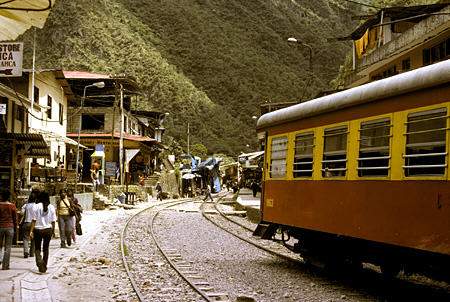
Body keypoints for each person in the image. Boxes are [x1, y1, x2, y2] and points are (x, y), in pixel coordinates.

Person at [29, 191, 56, 273]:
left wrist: (31, 231)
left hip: (37, 230)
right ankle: (44, 264)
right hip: (48, 230)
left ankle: (39, 262)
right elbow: (53, 221)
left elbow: (33, 220)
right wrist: (53, 231)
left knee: (37, 248)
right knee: (46, 248)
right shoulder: (51, 207)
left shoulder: (36, 206)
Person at [0, 191, 17, 270]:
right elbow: (15, 219)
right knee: (8, 247)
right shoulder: (12, 206)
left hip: (0, 227)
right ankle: (5, 265)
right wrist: (15, 228)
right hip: (10, 227)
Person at [20, 189, 39, 258]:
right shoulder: (37, 206)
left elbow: (22, 213)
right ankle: (32, 253)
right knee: (33, 239)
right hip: (34, 224)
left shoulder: (26, 205)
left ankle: (26, 251)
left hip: (26, 223)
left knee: (25, 238)